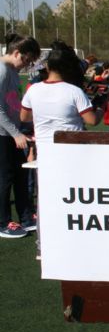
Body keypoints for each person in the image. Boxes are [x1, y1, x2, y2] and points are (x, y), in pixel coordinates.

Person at [21, 40, 102, 145]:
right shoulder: (75, 91)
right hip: (71, 150)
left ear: (47, 67)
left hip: (44, 151)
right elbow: (92, 120)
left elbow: (24, 117)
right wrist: (101, 108)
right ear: (68, 69)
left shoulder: (33, 89)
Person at [0, 34, 40, 238]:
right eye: (27, 60)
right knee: (5, 178)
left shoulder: (13, 72)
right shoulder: (2, 70)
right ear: (17, 53)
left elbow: (14, 104)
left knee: (21, 174)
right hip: (3, 135)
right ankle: (3, 222)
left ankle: (26, 216)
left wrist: (25, 126)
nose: (27, 65)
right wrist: (16, 133)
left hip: (13, 133)